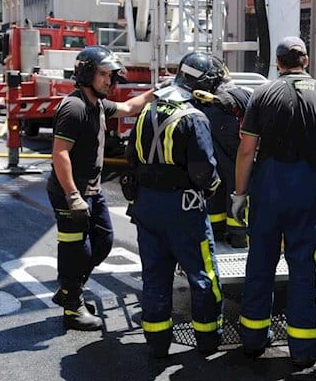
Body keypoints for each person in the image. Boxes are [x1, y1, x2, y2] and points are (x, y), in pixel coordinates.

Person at [232, 36, 316, 369]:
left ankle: (253, 339)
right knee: (303, 267)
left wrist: (240, 194)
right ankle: (304, 348)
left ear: (278, 63)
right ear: (305, 61)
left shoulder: (262, 94)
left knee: (260, 262)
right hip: (305, 186)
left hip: (267, 186)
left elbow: (246, 150)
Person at [47, 45, 158, 331]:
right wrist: (73, 196)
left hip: (91, 190)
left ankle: (69, 291)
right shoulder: (74, 107)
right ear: (86, 74)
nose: (108, 81)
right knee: (75, 250)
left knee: (104, 241)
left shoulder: (97, 104)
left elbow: (130, 107)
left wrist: (159, 90)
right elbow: (60, 153)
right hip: (71, 192)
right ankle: (72, 307)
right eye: (103, 74)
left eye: (110, 75)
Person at [124, 74, 223, 358]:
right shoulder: (194, 117)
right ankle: (207, 340)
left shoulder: (148, 110)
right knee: (203, 275)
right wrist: (212, 189)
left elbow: (131, 156)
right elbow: (204, 172)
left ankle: (157, 343)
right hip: (184, 209)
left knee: (155, 276)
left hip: (146, 206)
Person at [175, 51, 251, 248]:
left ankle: (230, 233)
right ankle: (234, 234)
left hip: (224, 165)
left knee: (223, 187)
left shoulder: (221, 99)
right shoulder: (200, 101)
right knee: (227, 188)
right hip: (228, 166)